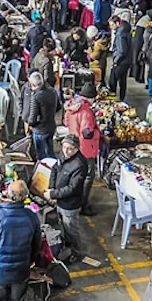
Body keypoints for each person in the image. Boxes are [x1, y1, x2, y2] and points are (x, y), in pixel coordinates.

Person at [45, 135, 92, 265]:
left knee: (72, 230)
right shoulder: (64, 155)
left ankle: (78, 253)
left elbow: (72, 188)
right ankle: (68, 245)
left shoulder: (79, 165)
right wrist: (51, 189)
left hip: (70, 205)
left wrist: (53, 194)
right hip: (60, 200)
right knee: (64, 226)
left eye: (70, 149)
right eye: (64, 147)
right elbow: (54, 169)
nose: (66, 151)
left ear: (77, 149)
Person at [62, 83, 100, 214]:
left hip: (74, 144)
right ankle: (83, 204)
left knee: (75, 175)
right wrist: (97, 132)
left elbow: (66, 122)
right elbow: (86, 133)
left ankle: (74, 200)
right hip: (85, 148)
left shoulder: (72, 105)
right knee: (88, 176)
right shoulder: (86, 112)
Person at [23, 71, 60, 160]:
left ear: (33, 84)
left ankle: (45, 172)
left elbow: (32, 118)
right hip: (51, 126)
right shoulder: (53, 91)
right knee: (50, 151)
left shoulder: (36, 96)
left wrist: (31, 124)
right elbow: (59, 107)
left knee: (41, 155)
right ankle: (54, 169)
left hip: (39, 130)